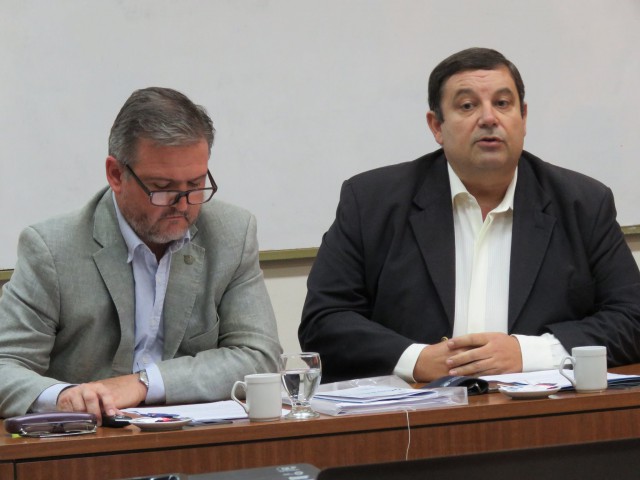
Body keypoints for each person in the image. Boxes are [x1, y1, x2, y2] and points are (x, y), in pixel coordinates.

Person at [299, 47, 640, 384]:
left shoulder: (583, 203)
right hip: (417, 412)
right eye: (467, 105)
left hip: (541, 410)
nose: (489, 118)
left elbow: (632, 318)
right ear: (436, 126)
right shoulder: (372, 202)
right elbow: (324, 322)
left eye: (502, 103)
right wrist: (417, 360)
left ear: (523, 118)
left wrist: (528, 353)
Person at [0, 87, 282, 420]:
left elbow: (260, 357)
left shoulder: (232, 233)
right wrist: (64, 397)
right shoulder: (52, 248)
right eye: (162, 188)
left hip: (195, 435)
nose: (182, 204)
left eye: (195, 185)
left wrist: (145, 383)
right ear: (116, 174)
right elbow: (6, 365)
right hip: (91, 440)